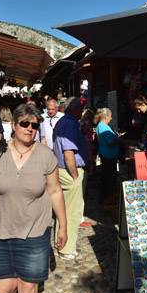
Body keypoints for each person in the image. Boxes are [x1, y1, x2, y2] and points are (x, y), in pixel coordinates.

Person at [0, 103, 67, 293]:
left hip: (35, 231)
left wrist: (63, 225)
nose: (29, 129)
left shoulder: (45, 155)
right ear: (14, 125)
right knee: (4, 289)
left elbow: (55, 191)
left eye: (34, 126)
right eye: (24, 123)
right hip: (1, 230)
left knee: (29, 288)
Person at [52, 97, 89, 260]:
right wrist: (75, 175)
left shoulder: (62, 122)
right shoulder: (70, 123)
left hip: (61, 170)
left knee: (62, 210)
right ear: (74, 109)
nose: (81, 111)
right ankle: (67, 249)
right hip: (69, 171)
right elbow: (68, 153)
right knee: (72, 212)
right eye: (80, 109)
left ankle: (60, 242)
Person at [94, 108, 125, 203]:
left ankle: (105, 197)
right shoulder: (104, 127)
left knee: (105, 177)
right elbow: (111, 142)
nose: (111, 119)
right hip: (109, 156)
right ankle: (108, 197)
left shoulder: (100, 126)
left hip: (105, 153)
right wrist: (119, 140)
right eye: (110, 116)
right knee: (109, 178)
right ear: (106, 116)